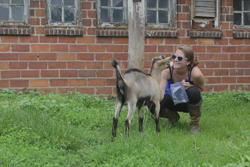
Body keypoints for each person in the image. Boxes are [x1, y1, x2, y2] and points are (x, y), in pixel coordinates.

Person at [149, 45, 205, 134]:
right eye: (174, 57)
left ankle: (195, 123)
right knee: (152, 103)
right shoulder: (167, 70)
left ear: (188, 62)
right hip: (172, 101)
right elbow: (161, 94)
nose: (175, 60)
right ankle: (173, 116)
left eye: (179, 58)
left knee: (193, 91)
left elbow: (200, 89)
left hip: (187, 104)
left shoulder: (195, 73)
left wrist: (189, 85)